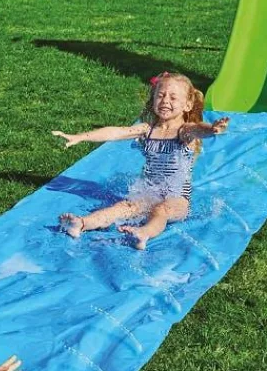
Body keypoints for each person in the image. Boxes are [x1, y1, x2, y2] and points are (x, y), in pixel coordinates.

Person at [54, 72, 229, 249]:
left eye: (173, 97)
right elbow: (116, 132)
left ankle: (144, 233)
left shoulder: (184, 131)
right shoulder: (147, 130)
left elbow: (198, 129)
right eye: (160, 95)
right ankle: (82, 223)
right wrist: (81, 137)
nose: (165, 101)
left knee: (161, 210)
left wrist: (212, 129)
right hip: (149, 193)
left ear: (187, 105)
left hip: (177, 199)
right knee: (123, 207)